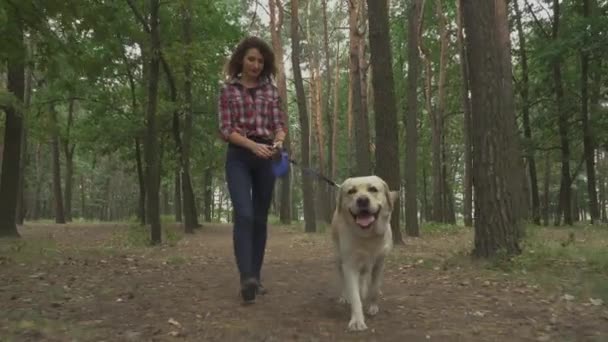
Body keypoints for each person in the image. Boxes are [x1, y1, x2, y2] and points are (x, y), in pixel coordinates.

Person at [217, 36, 287, 304]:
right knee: (244, 214)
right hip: (239, 157)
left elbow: (279, 124)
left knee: (259, 218)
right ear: (241, 60)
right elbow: (226, 130)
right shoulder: (227, 90)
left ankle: (255, 277)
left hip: (267, 157)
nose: (256, 64)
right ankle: (246, 276)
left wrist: (278, 141)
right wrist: (251, 146)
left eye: (260, 60)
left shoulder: (271, 91)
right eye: (251, 59)